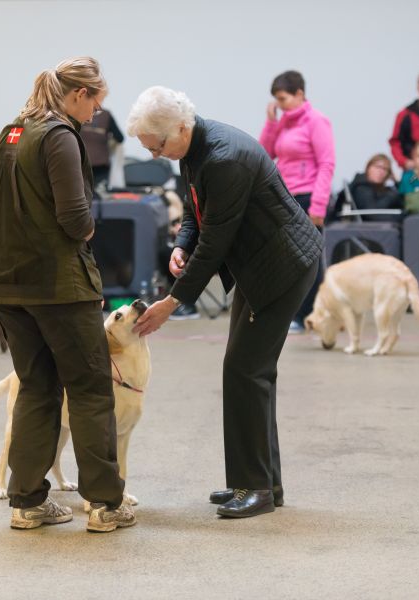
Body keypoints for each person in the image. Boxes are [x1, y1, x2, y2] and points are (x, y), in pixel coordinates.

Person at [127, 85, 322, 519]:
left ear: (179, 127)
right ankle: (261, 482)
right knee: (249, 372)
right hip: (261, 264)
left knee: (245, 372)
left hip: (281, 266)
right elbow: (198, 216)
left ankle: (256, 489)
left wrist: (172, 302)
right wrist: (181, 245)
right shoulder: (192, 149)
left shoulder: (223, 158)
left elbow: (217, 241)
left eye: (156, 145)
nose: (156, 154)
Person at [0, 56, 133, 533]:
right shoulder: (61, 136)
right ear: (77, 95)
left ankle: (26, 502)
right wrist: (87, 227)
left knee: (36, 388)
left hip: (8, 285)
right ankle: (106, 505)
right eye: (96, 104)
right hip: (60, 286)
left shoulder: (11, 133)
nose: (96, 116)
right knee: (88, 390)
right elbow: (75, 217)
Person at [259, 70, 333, 333]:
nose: (279, 104)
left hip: (308, 198)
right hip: (285, 198)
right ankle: (294, 312)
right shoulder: (284, 123)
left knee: (308, 261)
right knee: (287, 260)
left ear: (299, 94)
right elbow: (265, 153)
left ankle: (307, 315)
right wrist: (271, 122)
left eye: (283, 98)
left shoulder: (316, 121)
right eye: (276, 99)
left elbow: (327, 164)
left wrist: (319, 205)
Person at [333, 154, 403, 222]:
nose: (381, 172)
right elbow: (372, 215)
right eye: (378, 167)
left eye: (385, 169)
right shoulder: (361, 186)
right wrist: (403, 217)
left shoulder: (383, 191)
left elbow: (403, 202)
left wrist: (396, 182)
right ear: (368, 168)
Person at [80, 107, 124, 190]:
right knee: (99, 195)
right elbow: (119, 138)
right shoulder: (106, 115)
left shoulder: (78, 113)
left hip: (82, 163)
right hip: (100, 165)